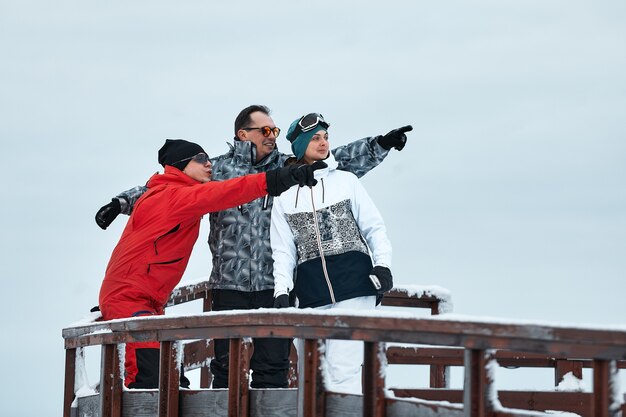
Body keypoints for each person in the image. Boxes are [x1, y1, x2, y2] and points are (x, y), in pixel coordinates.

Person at [94, 105, 411, 389]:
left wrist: (378, 145)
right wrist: (121, 202)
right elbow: (168, 187)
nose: (273, 136)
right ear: (243, 134)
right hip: (228, 283)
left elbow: (333, 161)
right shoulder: (213, 171)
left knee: (272, 368)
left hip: (273, 284)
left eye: (275, 130)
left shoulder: (288, 169)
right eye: (266, 130)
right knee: (225, 369)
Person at [98, 138, 323, 389]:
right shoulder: (176, 196)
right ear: (181, 165)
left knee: (170, 381)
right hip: (130, 299)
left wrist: (119, 203)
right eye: (201, 159)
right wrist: (280, 178)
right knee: (151, 383)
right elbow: (230, 191)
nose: (209, 164)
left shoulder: (167, 190)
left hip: (144, 300)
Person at [270, 113, 398, 394]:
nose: (323, 143)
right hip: (311, 290)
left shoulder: (346, 181)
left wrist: (383, 265)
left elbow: (374, 227)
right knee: (311, 373)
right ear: (300, 145)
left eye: (326, 137)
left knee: (343, 370)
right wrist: (282, 290)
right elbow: (283, 250)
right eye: (315, 138)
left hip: (355, 285)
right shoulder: (285, 197)